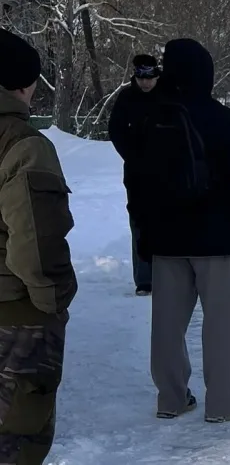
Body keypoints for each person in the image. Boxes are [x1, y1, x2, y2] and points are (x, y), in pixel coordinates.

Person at [131, 38, 230, 424]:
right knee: (223, 323)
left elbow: (136, 182)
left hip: (166, 238)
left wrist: (142, 232)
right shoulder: (221, 119)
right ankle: (224, 403)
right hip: (217, 238)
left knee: (167, 325)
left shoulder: (151, 118)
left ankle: (171, 398)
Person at [0, 29, 77, 464]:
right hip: (14, 319)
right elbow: (36, 247)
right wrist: (54, 300)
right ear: (24, 86)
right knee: (17, 439)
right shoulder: (24, 145)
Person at [108, 54, 160, 296]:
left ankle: (169, 275)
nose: (146, 83)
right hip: (137, 174)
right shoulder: (127, 97)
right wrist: (132, 156)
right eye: (141, 78)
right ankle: (144, 279)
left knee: (167, 222)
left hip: (167, 172)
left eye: (150, 78)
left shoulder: (168, 95)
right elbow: (116, 130)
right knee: (139, 223)